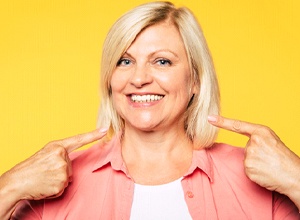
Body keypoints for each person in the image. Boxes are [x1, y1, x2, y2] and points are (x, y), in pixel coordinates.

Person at [0, 1, 299, 219]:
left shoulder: (258, 180)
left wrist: (294, 177)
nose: (139, 78)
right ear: (109, 78)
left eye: (162, 61)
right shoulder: (52, 182)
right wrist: (11, 185)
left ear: (195, 79)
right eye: (125, 61)